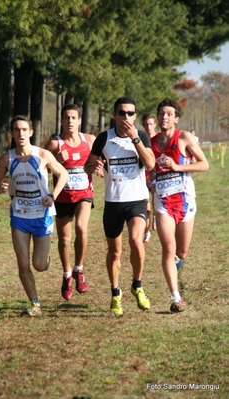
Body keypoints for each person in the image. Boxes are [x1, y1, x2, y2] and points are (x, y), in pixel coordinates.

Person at [84, 96, 155, 315]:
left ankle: (137, 285)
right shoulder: (104, 138)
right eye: (122, 113)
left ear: (135, 115)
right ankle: (116, 293)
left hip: (136, 200)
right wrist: (94, 165)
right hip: (113, 201)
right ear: (114, 114)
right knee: (114, 253)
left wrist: (136, 140)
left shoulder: (141, 135)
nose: (126, 117)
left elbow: (150, 163)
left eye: (131, 113)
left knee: (136, 240)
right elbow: (87, 166)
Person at [0, 115, 69, 316]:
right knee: (23, 263)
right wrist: (0, 188)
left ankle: (46, 259)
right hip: (19, 215)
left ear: (31, 132)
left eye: (24, 129)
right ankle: (35, 303)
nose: (21, 134)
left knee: (39, 265)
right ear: (12, 134)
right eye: (17, 130)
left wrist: (53, 195)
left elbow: (63, 174)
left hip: (42, 215)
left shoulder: (42, 155)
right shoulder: (7, 158)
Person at [151, 98, 209, 313]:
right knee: (168, 248)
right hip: (163, 203)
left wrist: (176, 166)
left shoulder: (184, 138)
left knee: (181, 251)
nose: (164, 117)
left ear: (175, 118)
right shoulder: (152, 142)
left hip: (185, 201)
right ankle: (176, 298)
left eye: (168, 114)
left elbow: (204, 164)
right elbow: (149, 170)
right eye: (161, 113)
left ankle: (178, 261)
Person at [45, 104, 95, 300]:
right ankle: (67, 275)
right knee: (65, 240)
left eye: (74, 117)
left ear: (80, 120)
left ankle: (79, 269)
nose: (70, 121)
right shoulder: (54, 144)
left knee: (82, 228)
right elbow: (43, 167)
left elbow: (96, 161)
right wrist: (56, 159)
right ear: (61, 121)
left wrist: (98, 165)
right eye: (66, 118)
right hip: (63, 197)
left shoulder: (88, 140)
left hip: (84, 194)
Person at [142, 113, 157, 242]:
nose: (149, 127)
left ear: (155, 125)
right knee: (146, 208)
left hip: (157, 178)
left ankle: (156, 217)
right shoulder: (140, 140)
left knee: (155, 203)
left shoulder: (158, 140)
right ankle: (147, 232)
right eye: (146, 124)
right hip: (143, 178)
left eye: (151, 124)